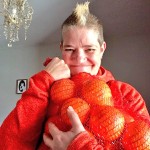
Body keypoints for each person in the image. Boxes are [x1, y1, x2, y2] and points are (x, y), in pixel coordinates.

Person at [0, 1, 149, 150]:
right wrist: (42, 81)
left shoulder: (126, 94)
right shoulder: (47, 90)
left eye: (89, 49)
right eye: (70, 49)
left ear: (102, 49)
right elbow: (8, 144)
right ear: (61, 48)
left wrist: (79, 145)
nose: (79, 58)